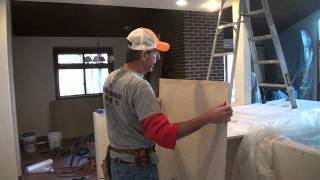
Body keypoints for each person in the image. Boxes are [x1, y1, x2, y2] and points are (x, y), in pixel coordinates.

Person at [103, 27, 233, 180]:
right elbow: (164, 134)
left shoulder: (111, 78)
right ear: (144, 54)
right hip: (136, 170)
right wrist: (208, 117)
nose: (157, 58)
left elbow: (123, 111)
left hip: (117, 164)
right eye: (155, 53)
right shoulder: (139, 86)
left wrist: (147, 106)